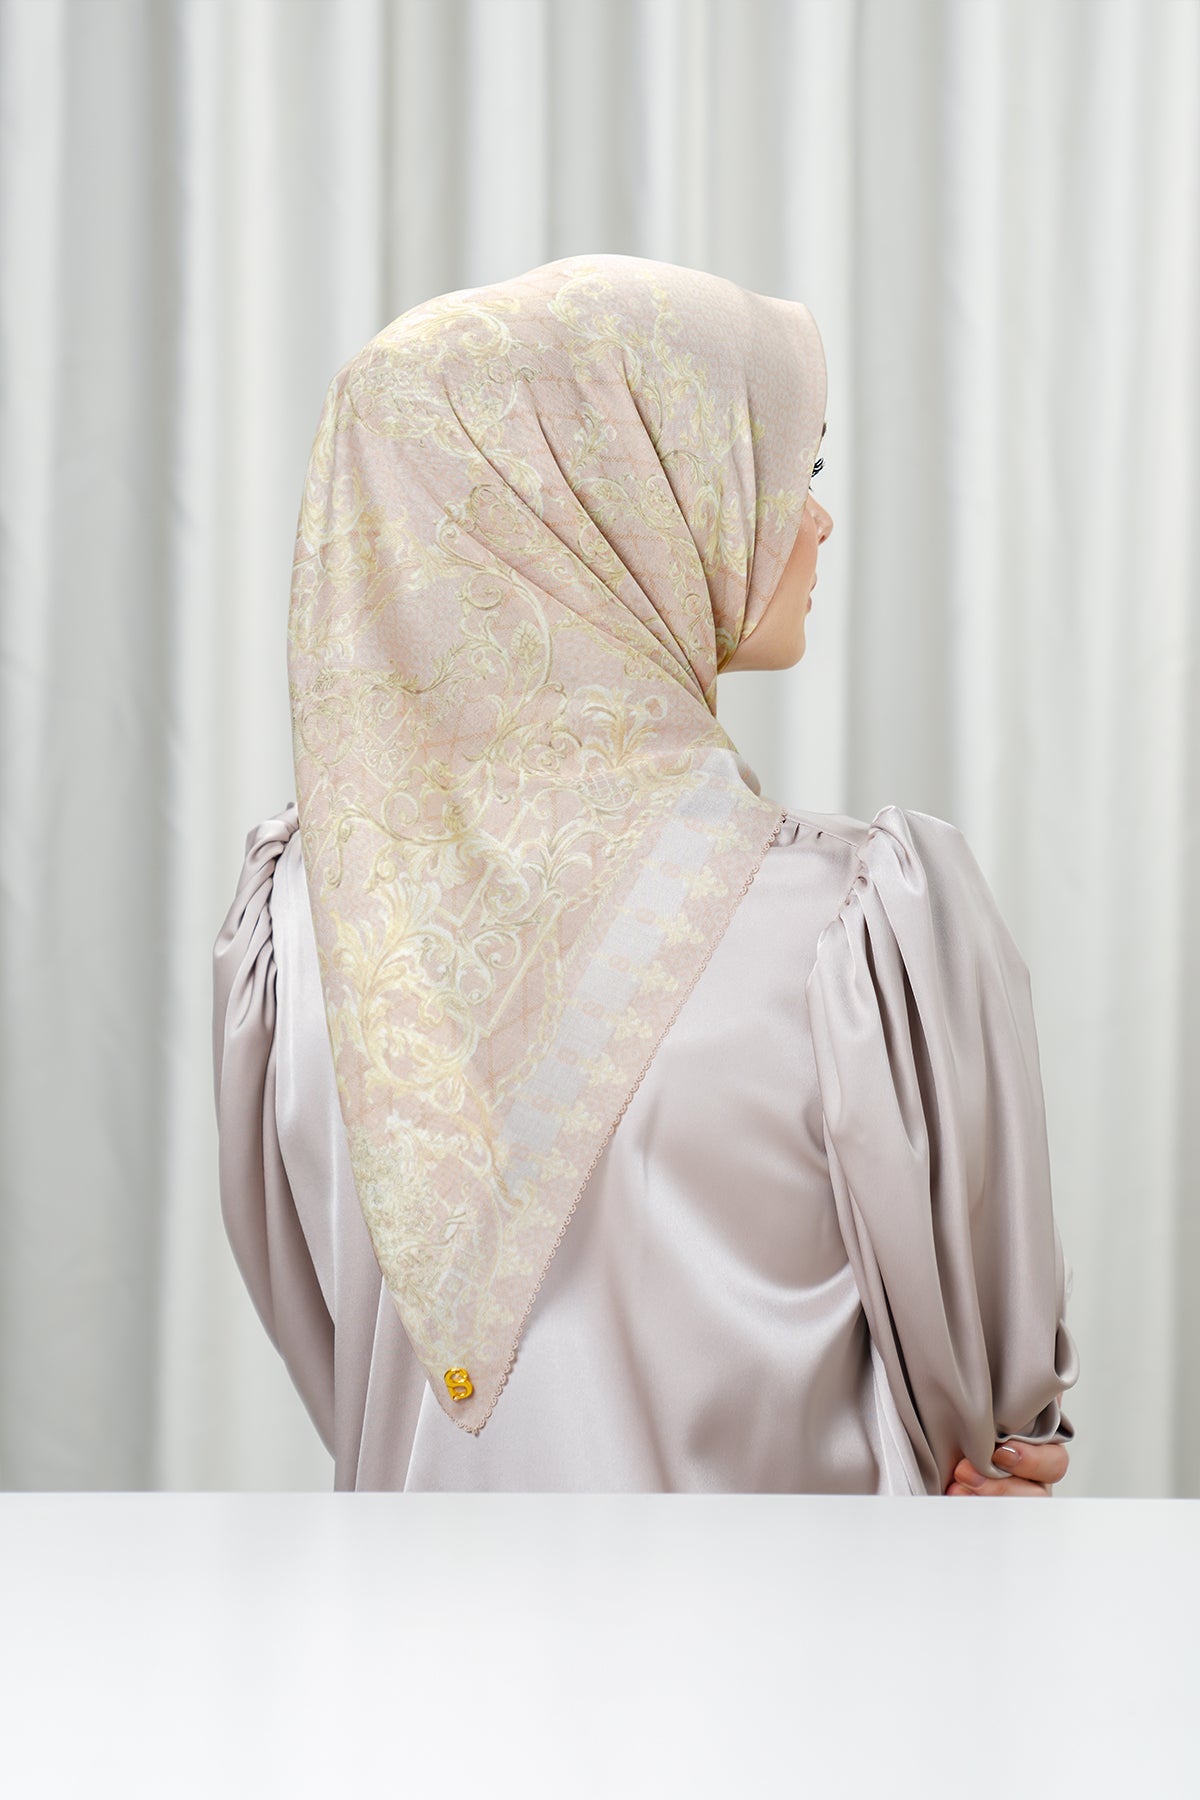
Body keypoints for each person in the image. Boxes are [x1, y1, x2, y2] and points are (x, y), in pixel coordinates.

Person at [212, 252, 1078, 1495]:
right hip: (814, 1621)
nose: (818, 520)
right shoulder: (862, 929)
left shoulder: (301, 932)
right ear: (611, 497)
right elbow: (986, 1440)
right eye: (791, 471)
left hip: (409, 1617)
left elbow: (345, 1363)